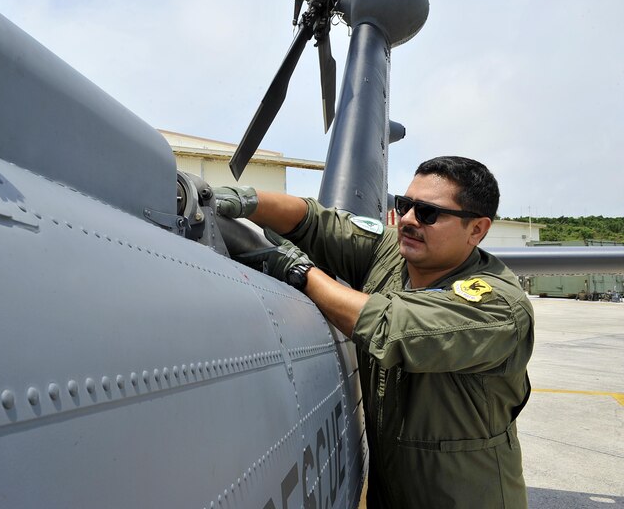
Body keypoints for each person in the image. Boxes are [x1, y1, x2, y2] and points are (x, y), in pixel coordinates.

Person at [215, 156, 534, 509]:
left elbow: (389, 326)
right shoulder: (391, 254)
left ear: (477, 229)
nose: (410, 220)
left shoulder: (497, 307)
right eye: (405, 205)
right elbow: (314, 222)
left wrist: (301, 272)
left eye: (428, 214)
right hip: (391, 495)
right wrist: (245, 199)